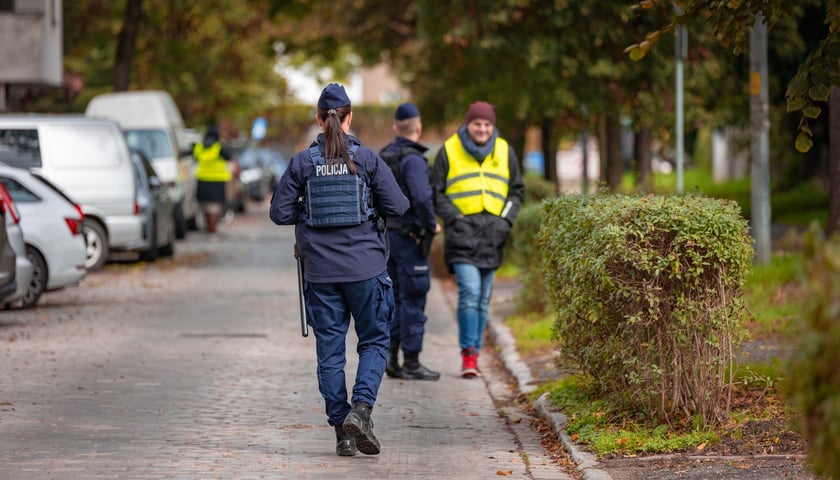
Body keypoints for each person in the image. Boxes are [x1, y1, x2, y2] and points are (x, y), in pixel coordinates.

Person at [268, 83, 409, 457]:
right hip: (366, 270)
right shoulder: (367, 160)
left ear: (318, 119)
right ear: (350, 118)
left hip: (321, 275)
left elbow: (279, 213)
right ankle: (360, 411)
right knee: (375, 342)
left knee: (330, 353)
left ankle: (341, 433)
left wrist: (310, 211)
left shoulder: (302, 162)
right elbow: (399, 206)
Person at [430, 100, 524, 378]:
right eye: (477, 123)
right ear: (467, 124)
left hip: (493, 236)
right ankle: (468, 354)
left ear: (492, 126)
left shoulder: (505, 150)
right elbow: (436, 192)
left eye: (487, 124)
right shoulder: (449, 149)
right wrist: (455, 219)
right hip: (462, 236)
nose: (482, 129)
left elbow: (517, 192)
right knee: (469, 293)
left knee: (483, 300)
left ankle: (476, 353)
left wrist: (505, 220)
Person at [380, 102, 441, 381]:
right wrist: (432, 225)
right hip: (410, 239)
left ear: (395, 127)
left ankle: (391, 359)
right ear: (418, 127)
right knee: (413, 298)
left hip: (385, 239)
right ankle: (412, 362)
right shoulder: (414, 159)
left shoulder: (383, 155)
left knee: (391, 299)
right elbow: (421, 197)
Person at [193, 127, 232, 233]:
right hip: (217, 181)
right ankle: (212, 226)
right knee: (214, 206)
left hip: (202, 180)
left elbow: (191, 156)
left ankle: (208, 225)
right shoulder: (219, 148)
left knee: (205, 205)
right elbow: (229, 156)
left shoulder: (199, 147)